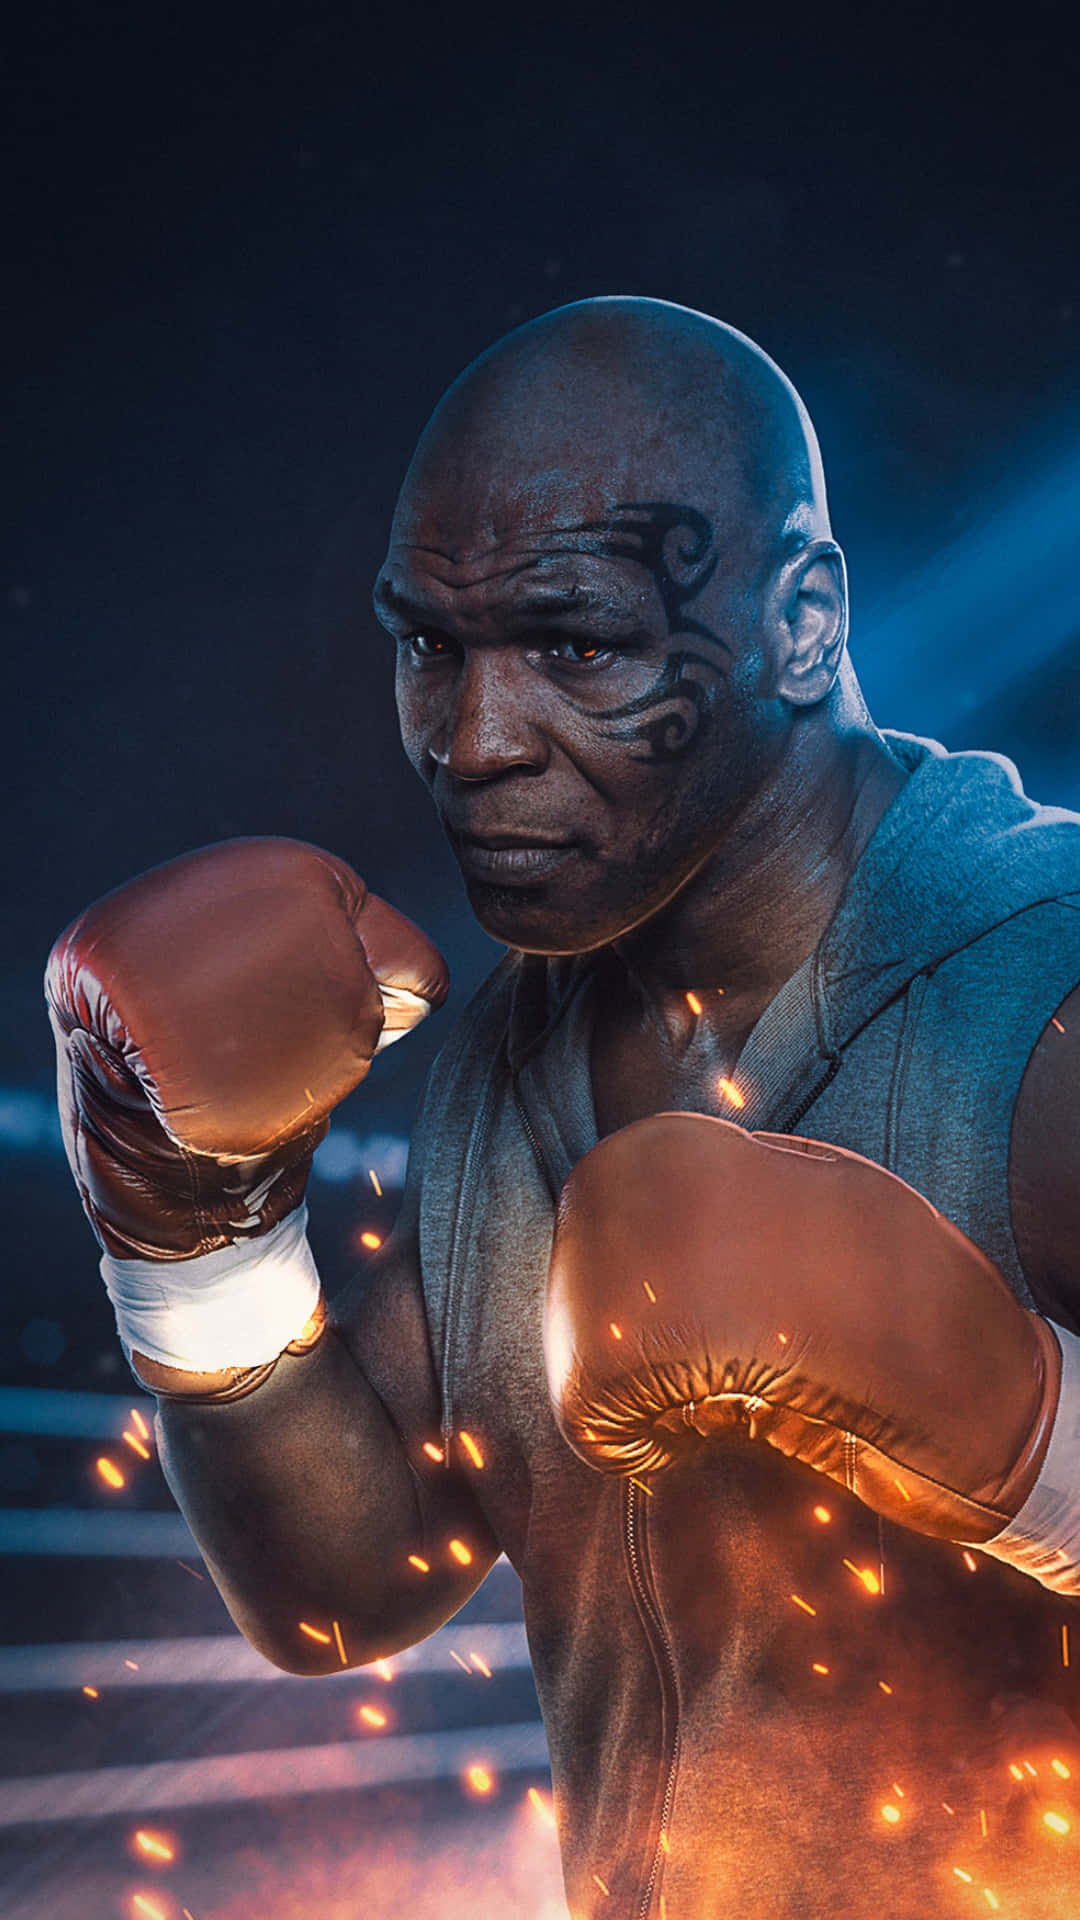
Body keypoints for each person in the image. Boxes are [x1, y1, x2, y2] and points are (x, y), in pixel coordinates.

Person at [47, 299, 1080, 1918]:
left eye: (578, 647)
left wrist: (1039, 1441)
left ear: (804, 621)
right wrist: (193, 1239)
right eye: (430, 649)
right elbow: (339, 1591)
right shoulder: (515, 1054)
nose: (473, 743)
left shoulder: (1048, 987)